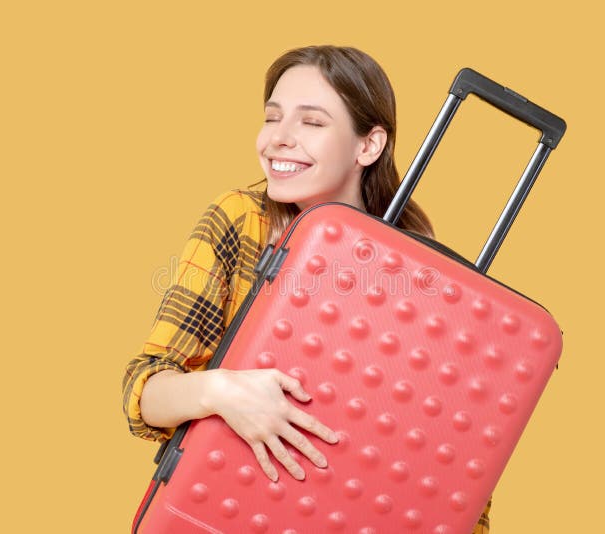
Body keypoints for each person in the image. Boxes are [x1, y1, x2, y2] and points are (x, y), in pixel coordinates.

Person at [122, 45, 491, 533]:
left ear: (368, 146)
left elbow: (455, 471)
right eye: (273, 118)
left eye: (312, 123)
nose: (279, 139)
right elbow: (144, 390)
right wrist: (220, 390)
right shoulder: (240, 220)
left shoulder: (422, 267)